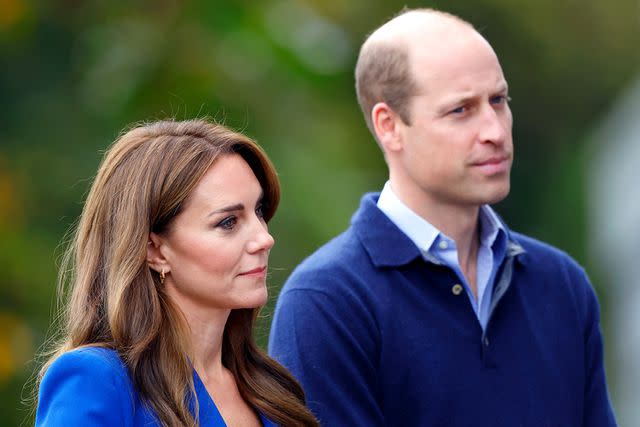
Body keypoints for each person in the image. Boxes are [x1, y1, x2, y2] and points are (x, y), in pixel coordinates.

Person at [268, 8, 617, 427]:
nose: (495, 130)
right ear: (389, 126)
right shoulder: (327, 303)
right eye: (460, 110)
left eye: (498, 101)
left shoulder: (562, 285)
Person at [35, 119, 318, 426]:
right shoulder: (97, 381)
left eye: (259, 211)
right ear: (154, 250)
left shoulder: (273, 388)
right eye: (228, 222)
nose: (264, 238)